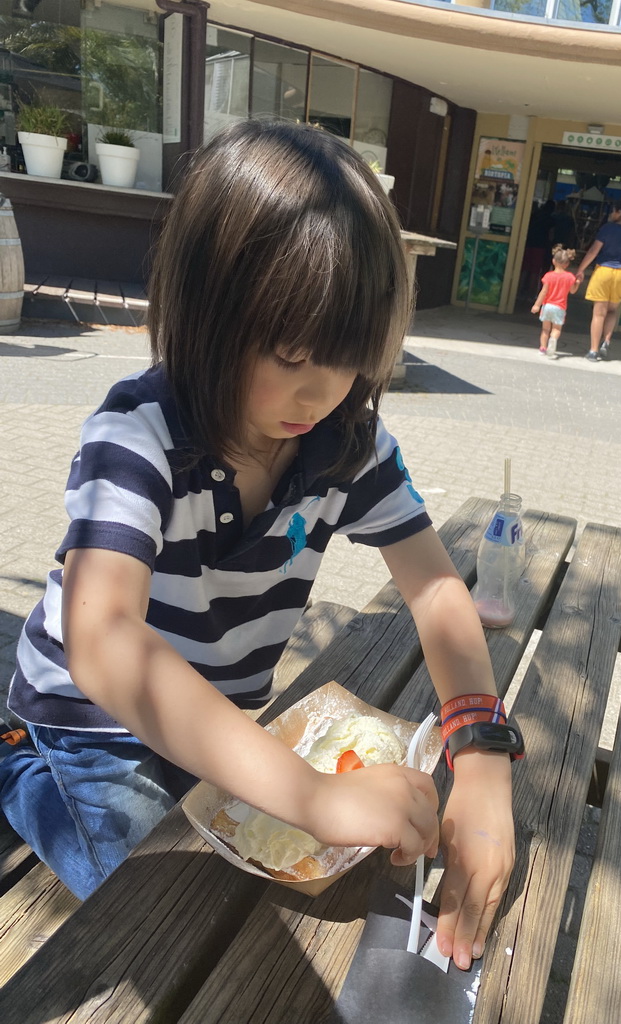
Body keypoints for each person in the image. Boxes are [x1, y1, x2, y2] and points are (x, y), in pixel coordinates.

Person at [0, 117, 515, 972]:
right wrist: (313, 795)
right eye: (289, 354)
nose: (320, 392)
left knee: (276, 874)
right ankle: (20, 767)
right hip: (94, 727)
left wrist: (485, 762)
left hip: (219, 721)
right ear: (207, 312)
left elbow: (433, 589)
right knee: (173, 929)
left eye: (349, 359)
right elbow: (103, 638)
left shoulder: (346, 442)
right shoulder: (139, 437)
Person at [574, 193, 621, 361]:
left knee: (599, 313)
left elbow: (593, 251)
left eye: (613, 211)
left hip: (604, 272)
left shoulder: (607, 229)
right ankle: (606, 341)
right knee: (612, 310)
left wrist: (580, 269)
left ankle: (593, 350)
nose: (611, 214)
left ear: (619, 212)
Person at [531, 244, 579, 357]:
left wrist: (536, 305)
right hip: (560, 307)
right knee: (556, 329)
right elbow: (572, 291)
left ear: (553, 261)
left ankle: (543, 348)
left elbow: (543, 292)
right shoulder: (570, 277)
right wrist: (576, 284)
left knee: (545, 329)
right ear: (567, 264)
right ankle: (553, 340)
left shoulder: (548, 276)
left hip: (547, 306)